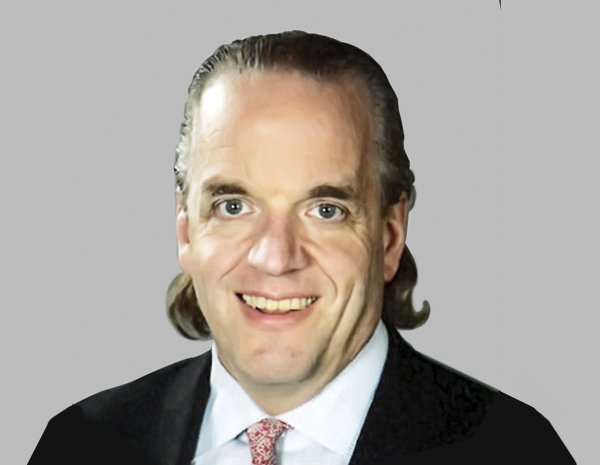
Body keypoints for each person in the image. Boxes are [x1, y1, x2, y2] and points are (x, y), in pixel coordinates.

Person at [29, 31, 575, 464]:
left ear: (390, 236)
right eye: (233, 206)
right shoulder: (81, 445)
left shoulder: (515, 451)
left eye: (326, 210)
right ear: (187, 230)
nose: (275, 257)